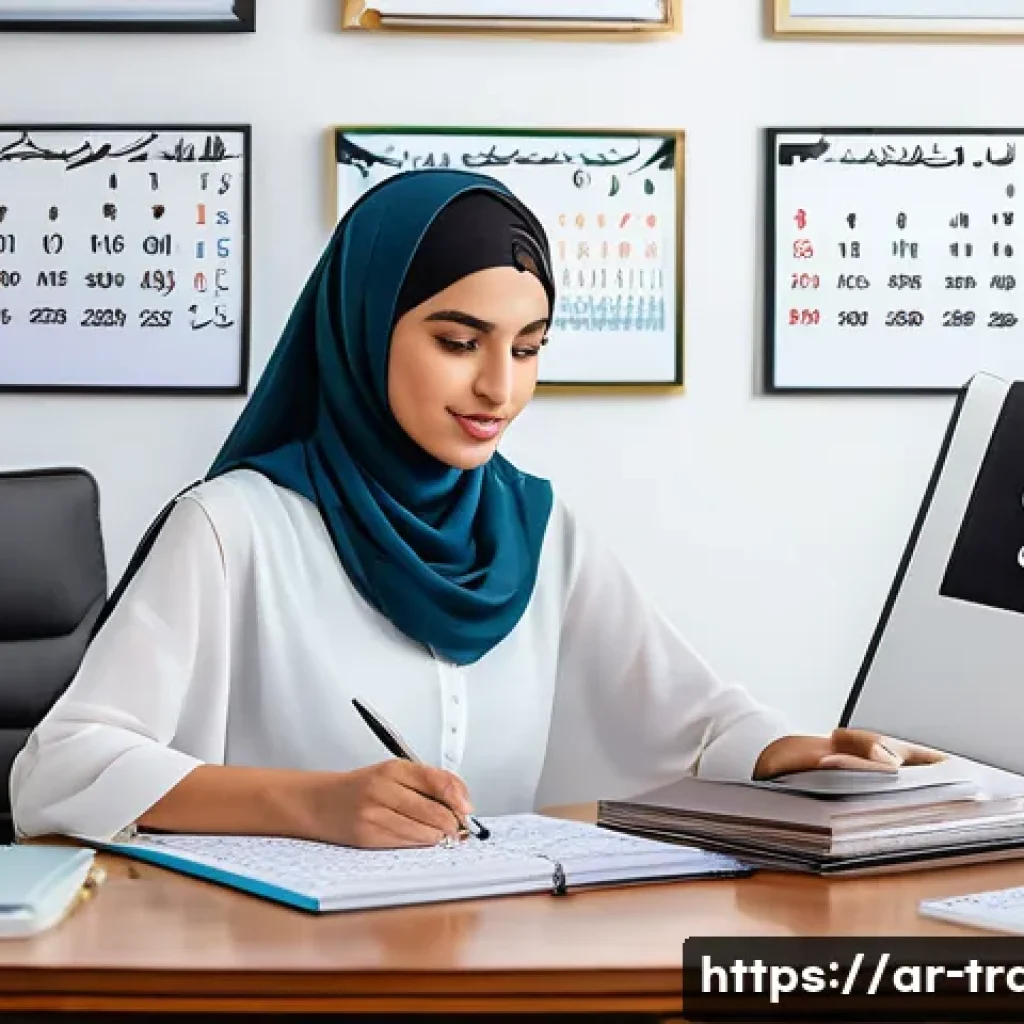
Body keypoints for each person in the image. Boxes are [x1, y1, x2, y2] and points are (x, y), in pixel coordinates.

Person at [9, 170, 941, 850]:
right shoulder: (234, 527)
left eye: (530, 348)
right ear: (365, 326)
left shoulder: (535, 528)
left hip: (481, 943)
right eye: (460, 341)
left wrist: (795, 751)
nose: (501, 387)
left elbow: (690, 722)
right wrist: (311, 803)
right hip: (265, 961)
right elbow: (60, 767)